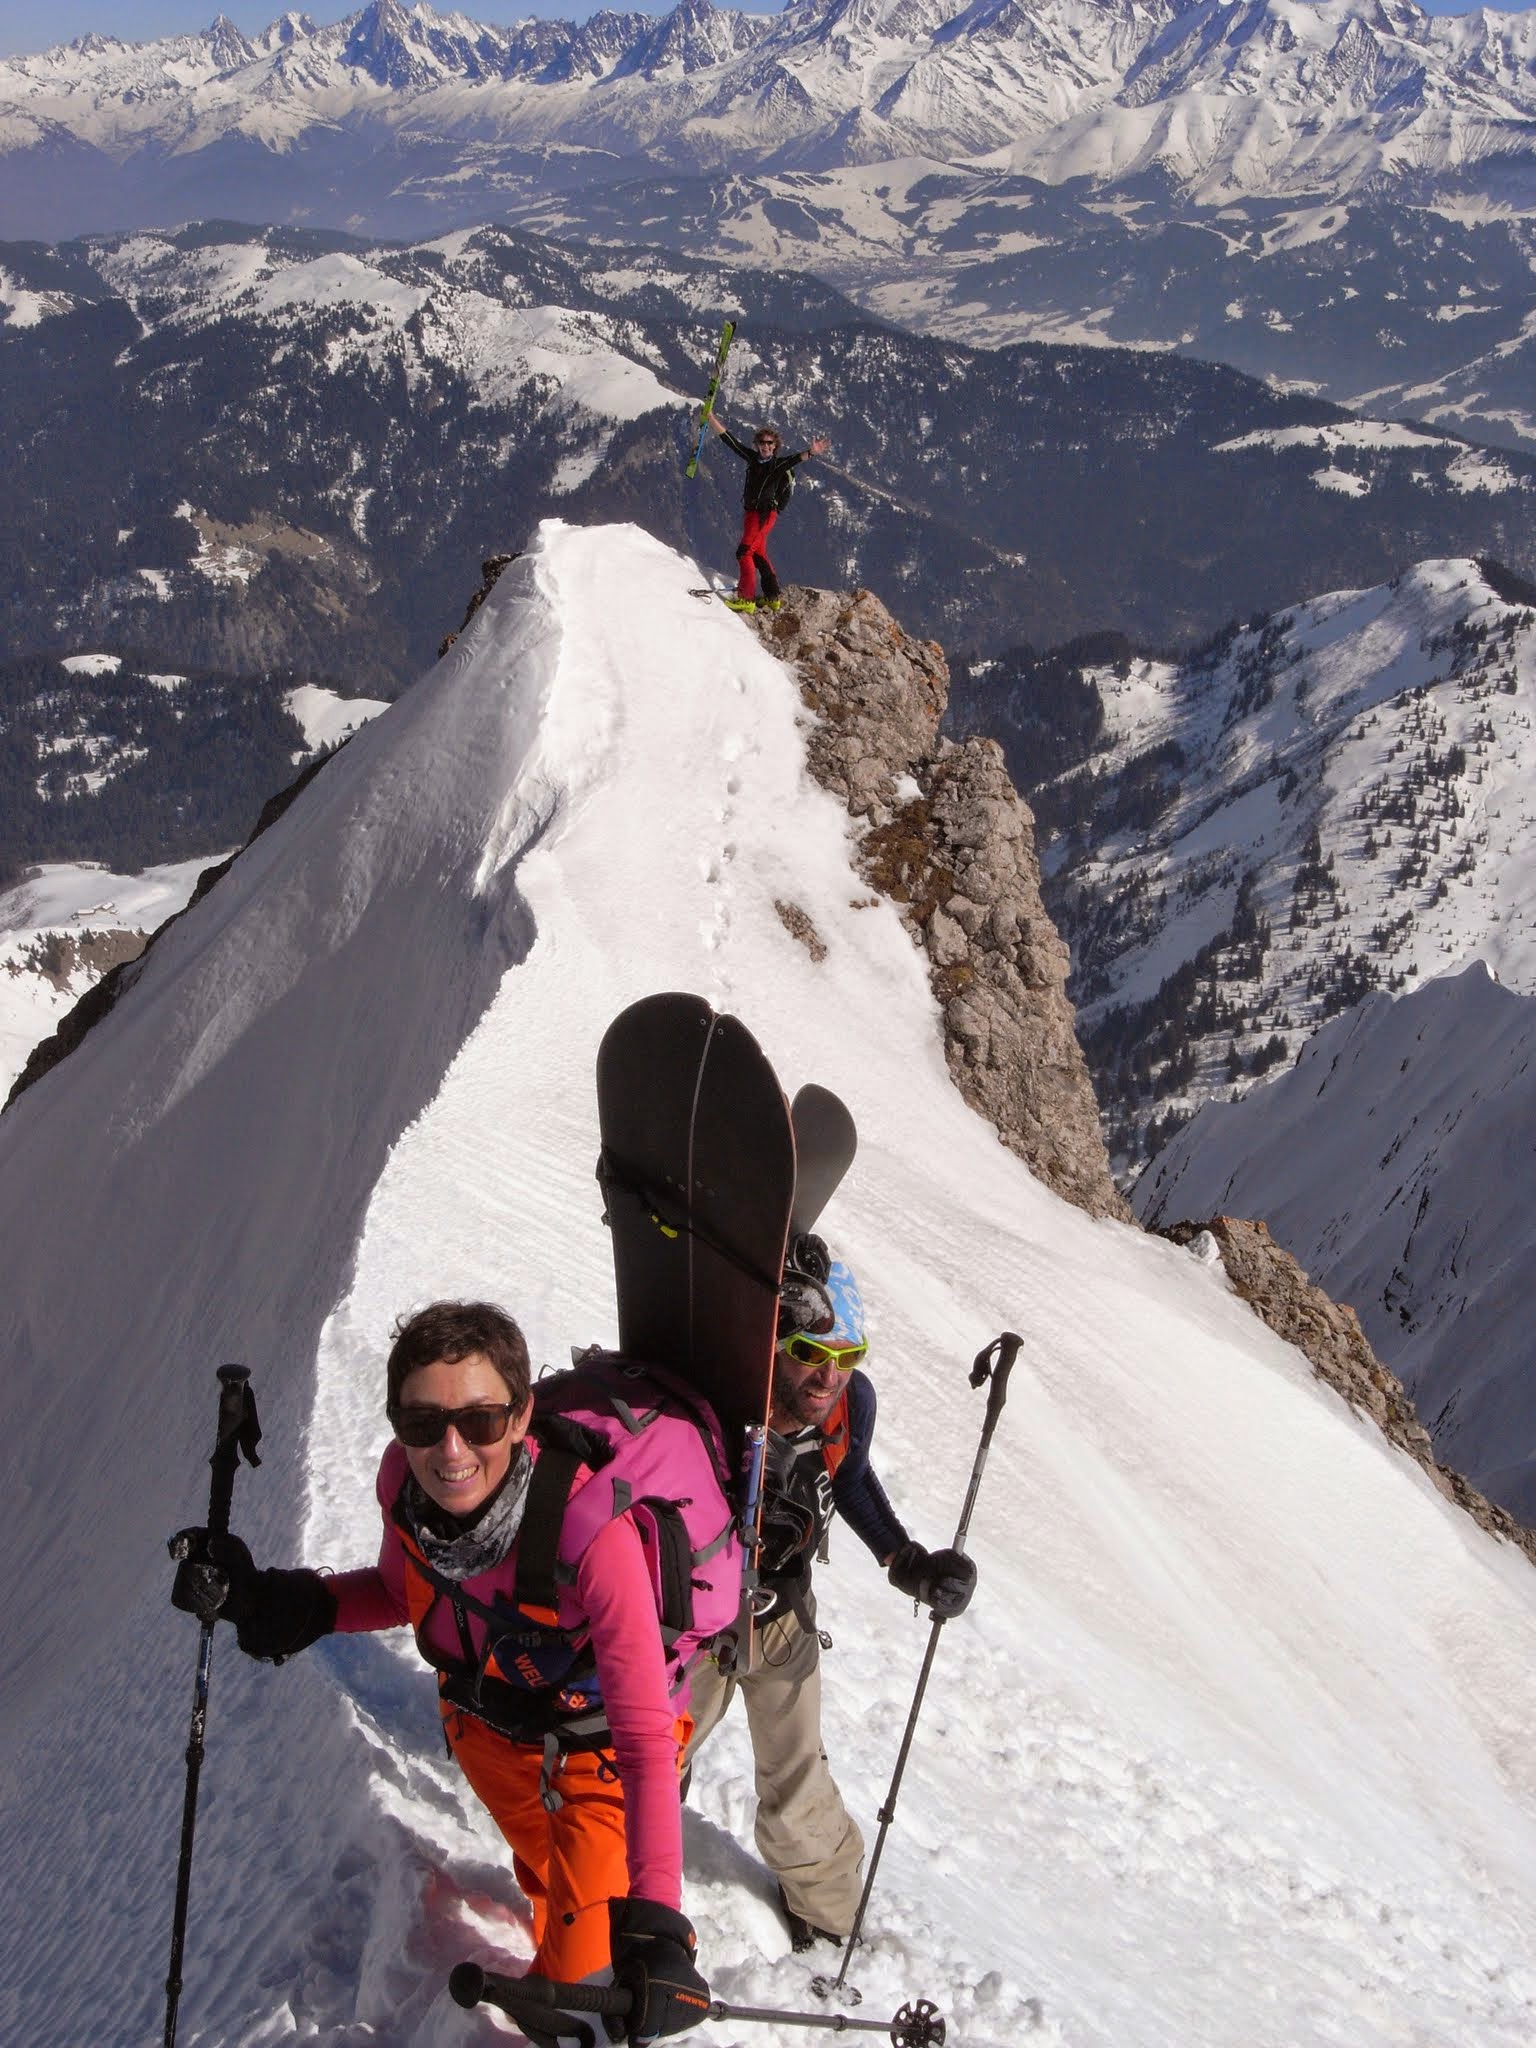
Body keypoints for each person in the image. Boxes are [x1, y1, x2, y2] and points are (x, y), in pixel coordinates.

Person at [170, 1300, 710, 2040]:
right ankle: (564, 1905)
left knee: (581, 2005)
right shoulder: (405, 1490)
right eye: (423, 1424)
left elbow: (648, 1740)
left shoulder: (591, 1536)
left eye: (481, 1421)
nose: (451, 1451)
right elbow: (401, 1592)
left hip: (597, 1760)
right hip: (489, 1734)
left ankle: (580, 1947)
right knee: (549, 1874)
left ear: (521, 1419)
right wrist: (273, 1600)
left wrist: (659, 1924)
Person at [682, 1240, 977, 1952]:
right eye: (813, 1352)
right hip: (692, 1616)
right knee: (653, 1750)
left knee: (798, 1780)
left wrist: (906, 1561)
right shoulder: (718, 1397)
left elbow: (848, 1480)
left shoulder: (849, 1407)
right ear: (773, 1342)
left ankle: (832, 1920)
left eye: (849, 1357)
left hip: (782, 1613)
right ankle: (621, 1867)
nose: (830, 1376)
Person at [707, 416, 831, 614]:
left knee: (744, 552)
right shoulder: (752, 458)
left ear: (775, 446)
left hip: (764, 514)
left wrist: (812, 452)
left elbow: (796, 459)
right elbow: (729, 440)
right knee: (758, 553)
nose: (765, 446)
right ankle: (772, 597)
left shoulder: (778, 465)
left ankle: (746, 598)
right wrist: (710, 417)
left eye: (769, 443)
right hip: (752, 514)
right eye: (762, 442)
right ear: (756, 445)